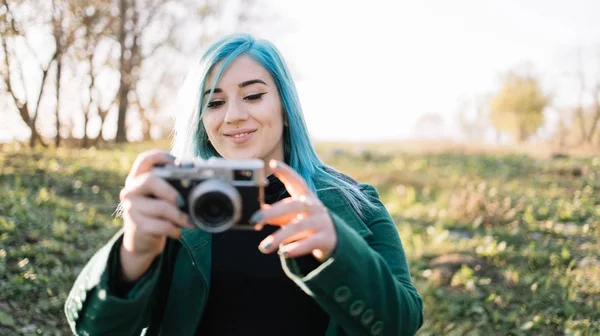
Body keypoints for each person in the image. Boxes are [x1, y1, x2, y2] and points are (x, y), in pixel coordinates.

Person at [64, 34, 424, 335]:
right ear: (201, 119)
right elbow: (95, 330)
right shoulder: (173, 206)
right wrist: (133, 255)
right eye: (215, 102)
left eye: (253, 95)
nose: (234, 115)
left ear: (284, 107)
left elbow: (401, 324)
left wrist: (339, 251)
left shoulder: (356, 203)